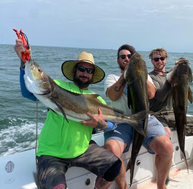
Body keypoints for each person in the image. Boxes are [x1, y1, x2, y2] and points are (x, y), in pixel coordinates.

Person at [14, 39, 122, 189]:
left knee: (115, 166)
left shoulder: (95, 99)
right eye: (82, 69)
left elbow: (112, 124)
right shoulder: (57, 86)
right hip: (51, 153)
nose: (85, 73)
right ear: (74, 71)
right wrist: (23, 62)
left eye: (89, 71)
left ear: (92, 75)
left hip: (82, 150)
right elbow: (27, 93)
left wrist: (102, 124)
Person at [103, 44, 173, 189]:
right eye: (123, 57)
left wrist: (139, 73)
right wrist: (126, 74)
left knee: (166, 147)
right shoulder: (112, 78)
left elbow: (152, 94)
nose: (127, 59)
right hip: (121, 121)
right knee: (110, 149)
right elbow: (113, 95)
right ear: (118, 60)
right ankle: (123, 187)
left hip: (144, 117)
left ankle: (161, 186)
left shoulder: (145, 76)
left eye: (130, 56)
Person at [148, 48, 193, 170]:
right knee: (166, 134)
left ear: (166, 59)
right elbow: (158, 97)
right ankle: (165, 170)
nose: (159, 61)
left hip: (174, 113)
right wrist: (171, 82)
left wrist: (185, 65)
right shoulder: (149, 77)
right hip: (156, 114)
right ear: (152, 61)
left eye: (162, 58)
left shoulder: (172, 74)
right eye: (156, 59)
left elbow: (186, 77)